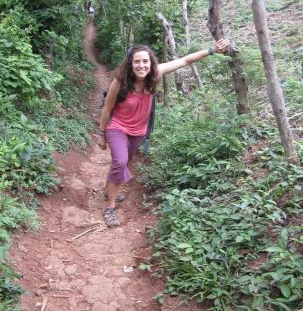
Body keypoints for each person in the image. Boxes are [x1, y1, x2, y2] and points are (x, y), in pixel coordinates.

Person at [98, 38, 230, 227]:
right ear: (130, 63)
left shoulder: (156, 74)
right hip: (117, 127)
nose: (141, 65)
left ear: (151, 63)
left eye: (145, 61)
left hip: (138, 131)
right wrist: (102, 135)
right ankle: (110, 207)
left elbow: (184, 61)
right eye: (137, 61)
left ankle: (109, 189)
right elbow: (107, 109)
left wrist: (211, 50)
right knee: (120, 161)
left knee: (123, 162)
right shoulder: (120, 81)